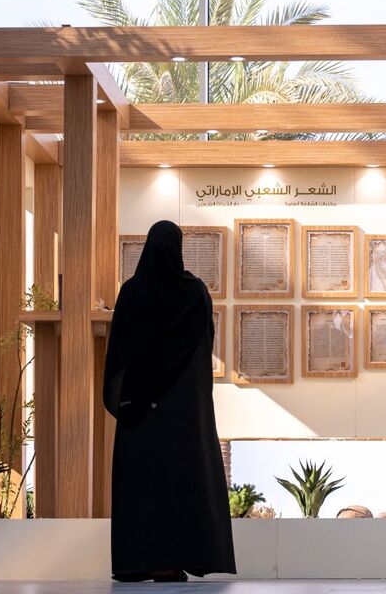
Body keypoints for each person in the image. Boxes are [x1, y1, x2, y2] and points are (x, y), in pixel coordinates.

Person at [103, 220, 236, 583]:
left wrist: (129, 397)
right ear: (178, 249)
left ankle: (142, 560)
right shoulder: (194, 293)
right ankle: (176, 560)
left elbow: (119, 351)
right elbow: (204, 346)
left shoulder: (132, 293)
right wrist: (192, 396)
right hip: (183, 410)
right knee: (181, 483)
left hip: (141, 410)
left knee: (143, 485)